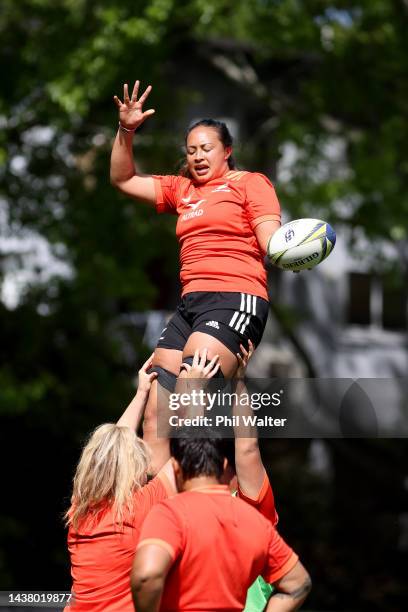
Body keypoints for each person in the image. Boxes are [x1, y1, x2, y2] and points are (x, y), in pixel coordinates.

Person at [110, 80, 282, 472]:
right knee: (156, 417)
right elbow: (123, 179)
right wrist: (126, 130)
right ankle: (162, 510)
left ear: (227, 151)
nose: (198, 157)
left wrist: (288, 249)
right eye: (191, 151)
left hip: (235, 299)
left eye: (207, 149)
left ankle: (205, 499)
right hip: (189, 307)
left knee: (192, 394)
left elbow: (270, 240)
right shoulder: (182, 190)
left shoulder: (250, 184)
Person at [131, 433, 311, 611]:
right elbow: (299, 583)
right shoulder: (255, 520)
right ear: (224, 464)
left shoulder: (169, 513)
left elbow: (146, 576)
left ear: (176, 468)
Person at [64, 355, 178, 612]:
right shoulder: (138, 508)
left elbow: (112, 451)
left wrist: (141, 394)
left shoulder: (80, 511)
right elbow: (187, 454)